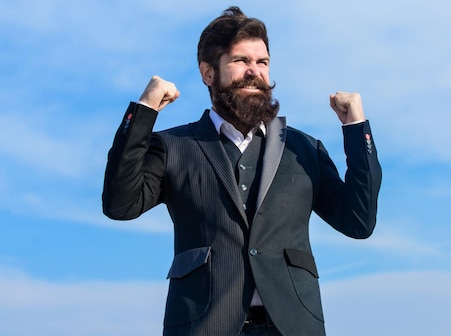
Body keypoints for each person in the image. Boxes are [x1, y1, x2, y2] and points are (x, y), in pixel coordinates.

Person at [102, 6, 381, 336]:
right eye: (241, 61)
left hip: (293, 326)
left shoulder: (304, 149)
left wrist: (356, 127)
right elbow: (120, 204)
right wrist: (144, 110)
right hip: (204, 325)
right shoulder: (174, 146)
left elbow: (359, 221)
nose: (255, 72)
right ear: (208, 72)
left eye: (262, 62)